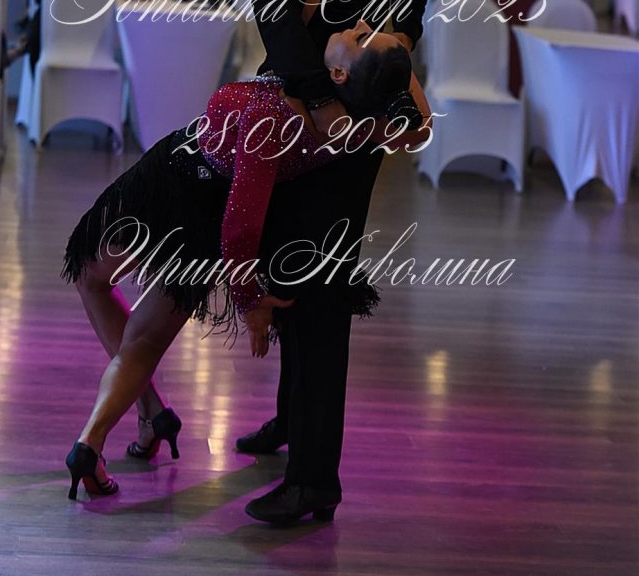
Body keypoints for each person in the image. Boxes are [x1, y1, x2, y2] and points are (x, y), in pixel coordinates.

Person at [62, 26, 431, 502]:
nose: (359, 26)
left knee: (126, 322)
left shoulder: (271, 118)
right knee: (107, 298)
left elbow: (240, 228)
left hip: (182, 190)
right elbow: (420, 125)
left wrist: (251, 302)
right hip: (187, 195)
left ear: (341, 73)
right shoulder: (360, 124)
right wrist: (397, 60)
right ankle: (146, 415)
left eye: (363, 38)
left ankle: (94, 441)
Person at [232, 0, 429, 523]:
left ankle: (316, 479)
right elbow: (280, 27)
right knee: (289, 268)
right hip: (294, 108)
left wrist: (389, 53)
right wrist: (323, 105)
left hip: (364, 110)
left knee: (321, 286)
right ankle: (292, 420)